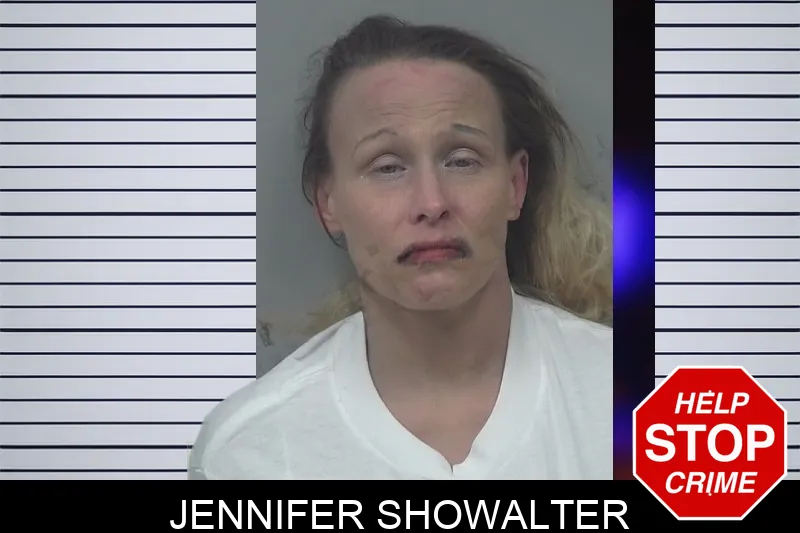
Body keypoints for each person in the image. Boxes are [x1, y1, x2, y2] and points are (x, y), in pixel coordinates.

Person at [189, 14, 612, 480]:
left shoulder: (640, 408)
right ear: (328, 202)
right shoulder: (248, 452)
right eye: (387, 167)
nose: (432, 203)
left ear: (515, 185)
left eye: (462, 160)